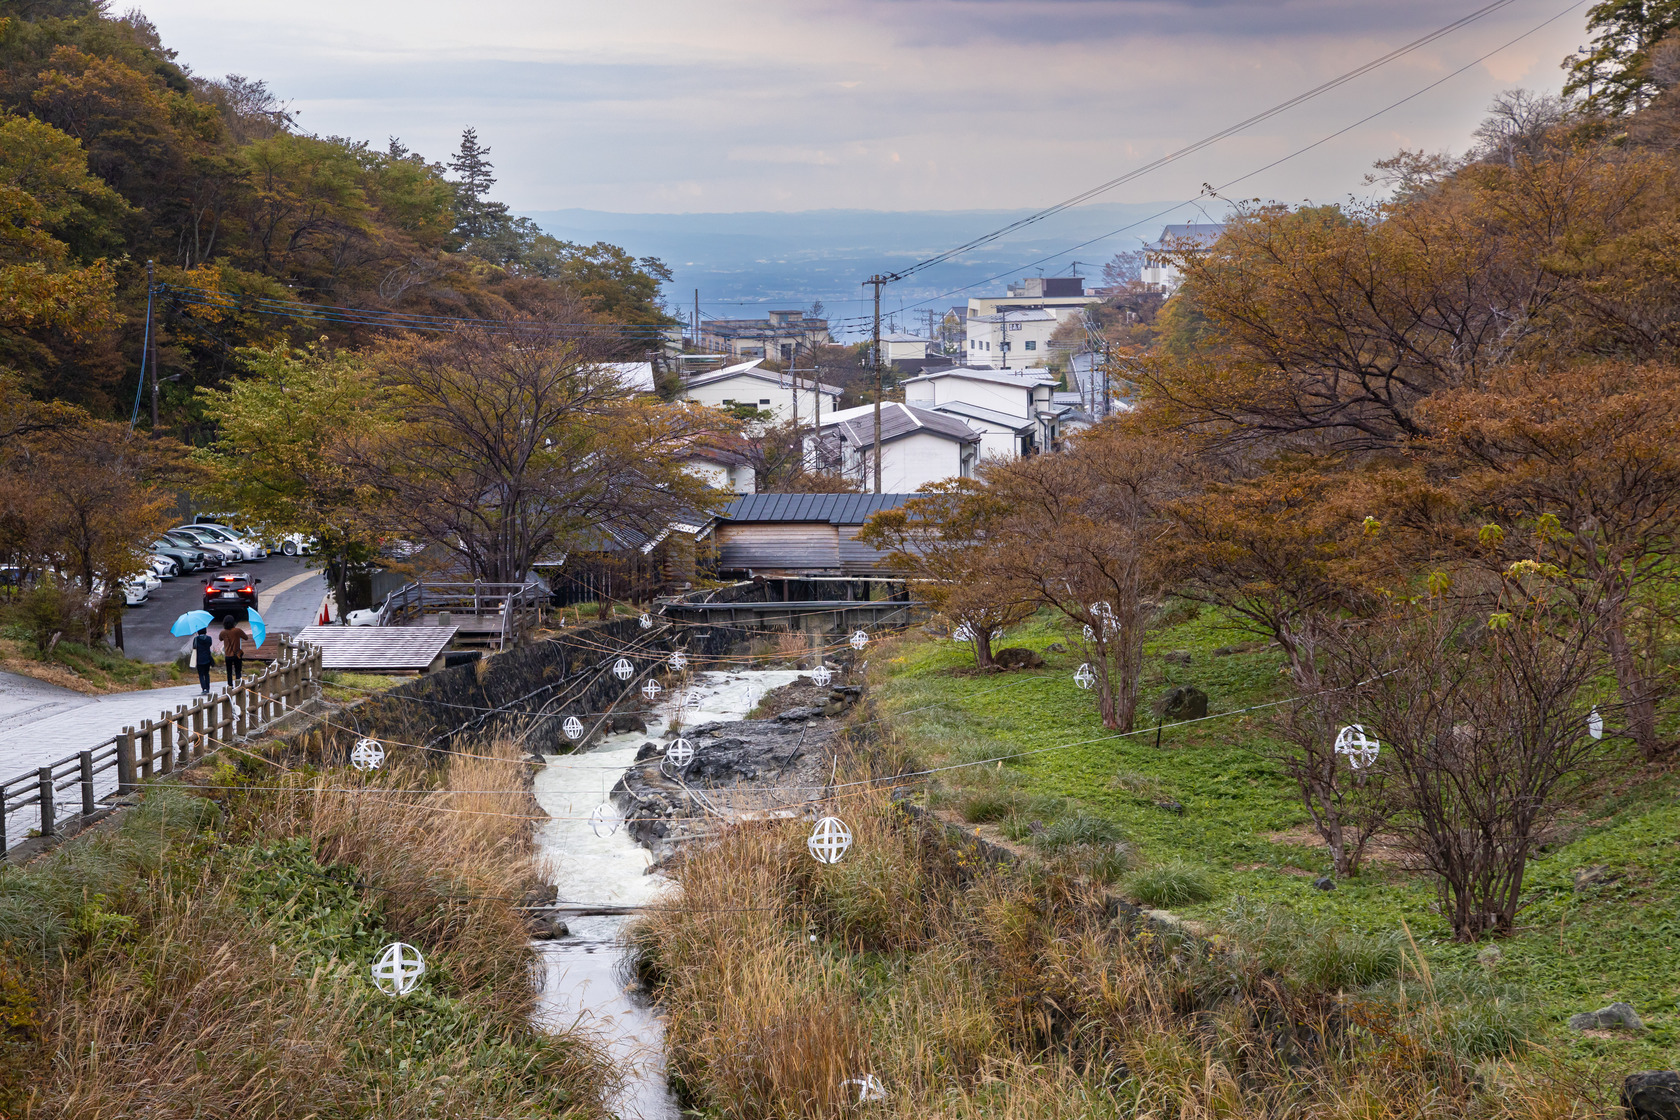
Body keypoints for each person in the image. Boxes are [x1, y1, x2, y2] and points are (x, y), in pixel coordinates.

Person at [218, 615, 246, 686]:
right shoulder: (237, 631)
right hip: (237, 654)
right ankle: (238, 685)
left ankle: (230, 686)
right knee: (238, 671)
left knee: (229, 672)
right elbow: (246, 637)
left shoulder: (223, 632)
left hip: (228, 655)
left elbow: (220, 639)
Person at [192, 626, 215, 695]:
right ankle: (207, 688)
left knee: (201, 675)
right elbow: (210, 644)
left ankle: (203, 688)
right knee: (206, 674)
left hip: (199, 660)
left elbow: (194, 647)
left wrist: (196, 639)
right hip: (207, 659)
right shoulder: (209, 638)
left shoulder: (196, 639)